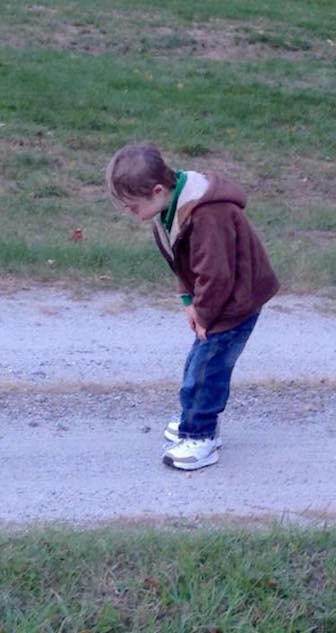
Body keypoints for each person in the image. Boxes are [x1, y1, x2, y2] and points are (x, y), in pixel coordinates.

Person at [105, 142, 279, 470]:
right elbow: (182, 261)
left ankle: (200, 436)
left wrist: (203, 313)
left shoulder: (207, 214)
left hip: (236, 299)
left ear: (157, 189)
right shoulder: (170, 207)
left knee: (207, 368)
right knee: (198, 363)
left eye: (131, 206)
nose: (130, 213)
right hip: (219, 297)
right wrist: (188, 301)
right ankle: (195, 417)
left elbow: (216, 276)